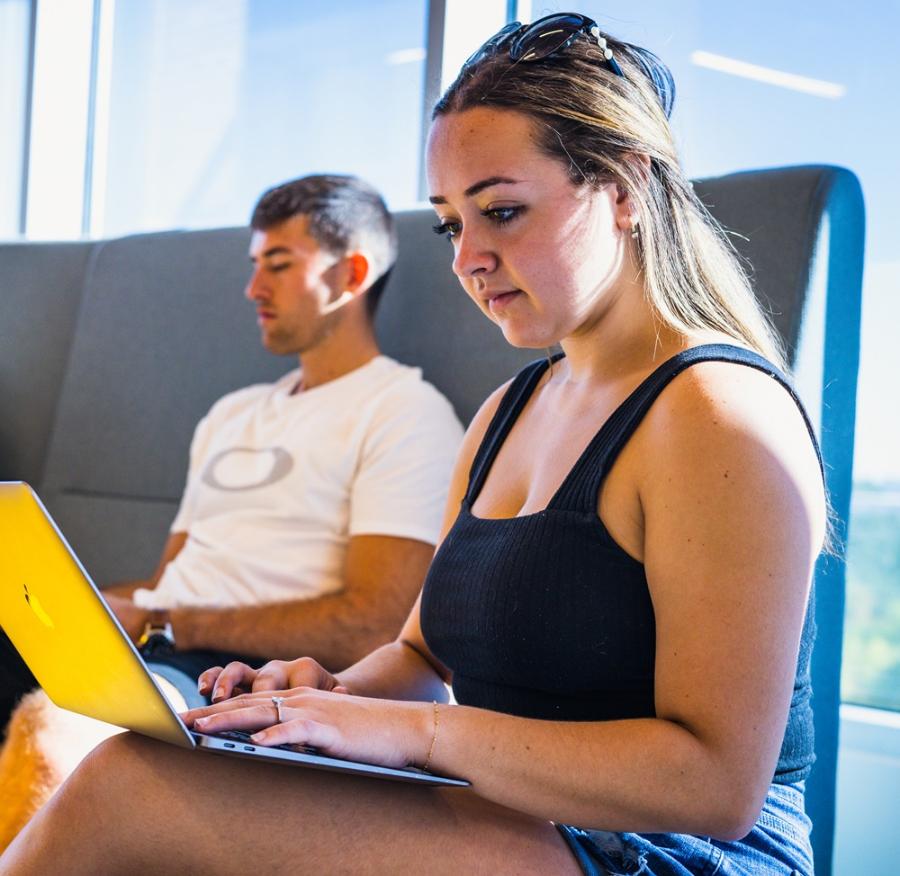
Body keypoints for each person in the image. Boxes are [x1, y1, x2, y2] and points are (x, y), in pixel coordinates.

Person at [0, 13, 826, 875]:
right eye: (450, 225)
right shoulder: (510, 409)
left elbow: (715, 785)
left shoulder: (716, 416)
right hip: (514, 816)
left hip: (677, 852)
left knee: (125, 789)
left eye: (502, 212)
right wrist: (319, 702)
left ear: (624, 188)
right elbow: (423, 657)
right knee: (136, 766)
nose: (469, 257)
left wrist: (415, 733)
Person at [0, 173, 462, 846]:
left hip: (236, 676)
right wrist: (75, 608)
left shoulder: (405, 414)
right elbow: (173, 576)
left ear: (352, 273)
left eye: (278, 265)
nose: (253, 290)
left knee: (49, 736)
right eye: (254, 267)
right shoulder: (230, 414)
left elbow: (379, 623)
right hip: (154, 647)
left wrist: (166, 619)